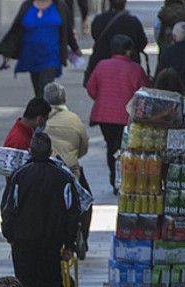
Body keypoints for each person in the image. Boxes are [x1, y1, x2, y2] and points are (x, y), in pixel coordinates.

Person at [1, 133, 82, 287]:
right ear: (50, 152)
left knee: (26, 282)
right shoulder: (62, 176)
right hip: (52, 240)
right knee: (53, 280)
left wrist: (9, 235)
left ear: (30, 151)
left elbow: (9, 209)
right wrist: (70, 242)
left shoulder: (20, 175)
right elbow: (73, 211)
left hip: (23, 240)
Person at [87, 34, 150, 191]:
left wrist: (102, 99)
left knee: (111, 146)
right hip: (126, 117)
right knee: (126, 148)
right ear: (128, 51)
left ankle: (113, 177)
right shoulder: (135, 69)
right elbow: (144, 93)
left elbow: (91, 88)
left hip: (104, 116)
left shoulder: (102, 65)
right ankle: (123, 178)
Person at [42, 82, 93, 257]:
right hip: (71, 170)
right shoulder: (74, 119)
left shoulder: (43, 119)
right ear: (65, 98)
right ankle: (83, 237)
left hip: (47, 170)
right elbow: (84, 146)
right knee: (85, 201)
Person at [0, 0, 82, 97]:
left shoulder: (60, 6)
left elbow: (67, 30)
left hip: (52, 55)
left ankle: (44, 109)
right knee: (37, 88)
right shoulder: (27, 6)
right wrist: (7, 51)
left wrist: (75, 48)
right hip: (31, 55)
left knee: (45, 86)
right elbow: (15, 30)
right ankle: (41, 109)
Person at [85, 0, 148, 86]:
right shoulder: (133, 21)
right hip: (127, 69)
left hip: (102, 66)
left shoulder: (98, 20)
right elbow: (142, 43)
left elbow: (95, 36)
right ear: (125, 3)